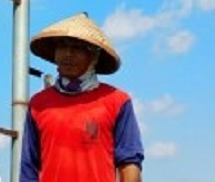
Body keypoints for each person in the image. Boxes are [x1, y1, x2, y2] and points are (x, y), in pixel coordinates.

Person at [20, 12, 144, 182]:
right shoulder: (38, 104)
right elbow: (29, 167)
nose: (68, 54)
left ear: (94, 56)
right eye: (62, 46)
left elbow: (129, 161)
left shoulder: (117, 101)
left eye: (77, 47)